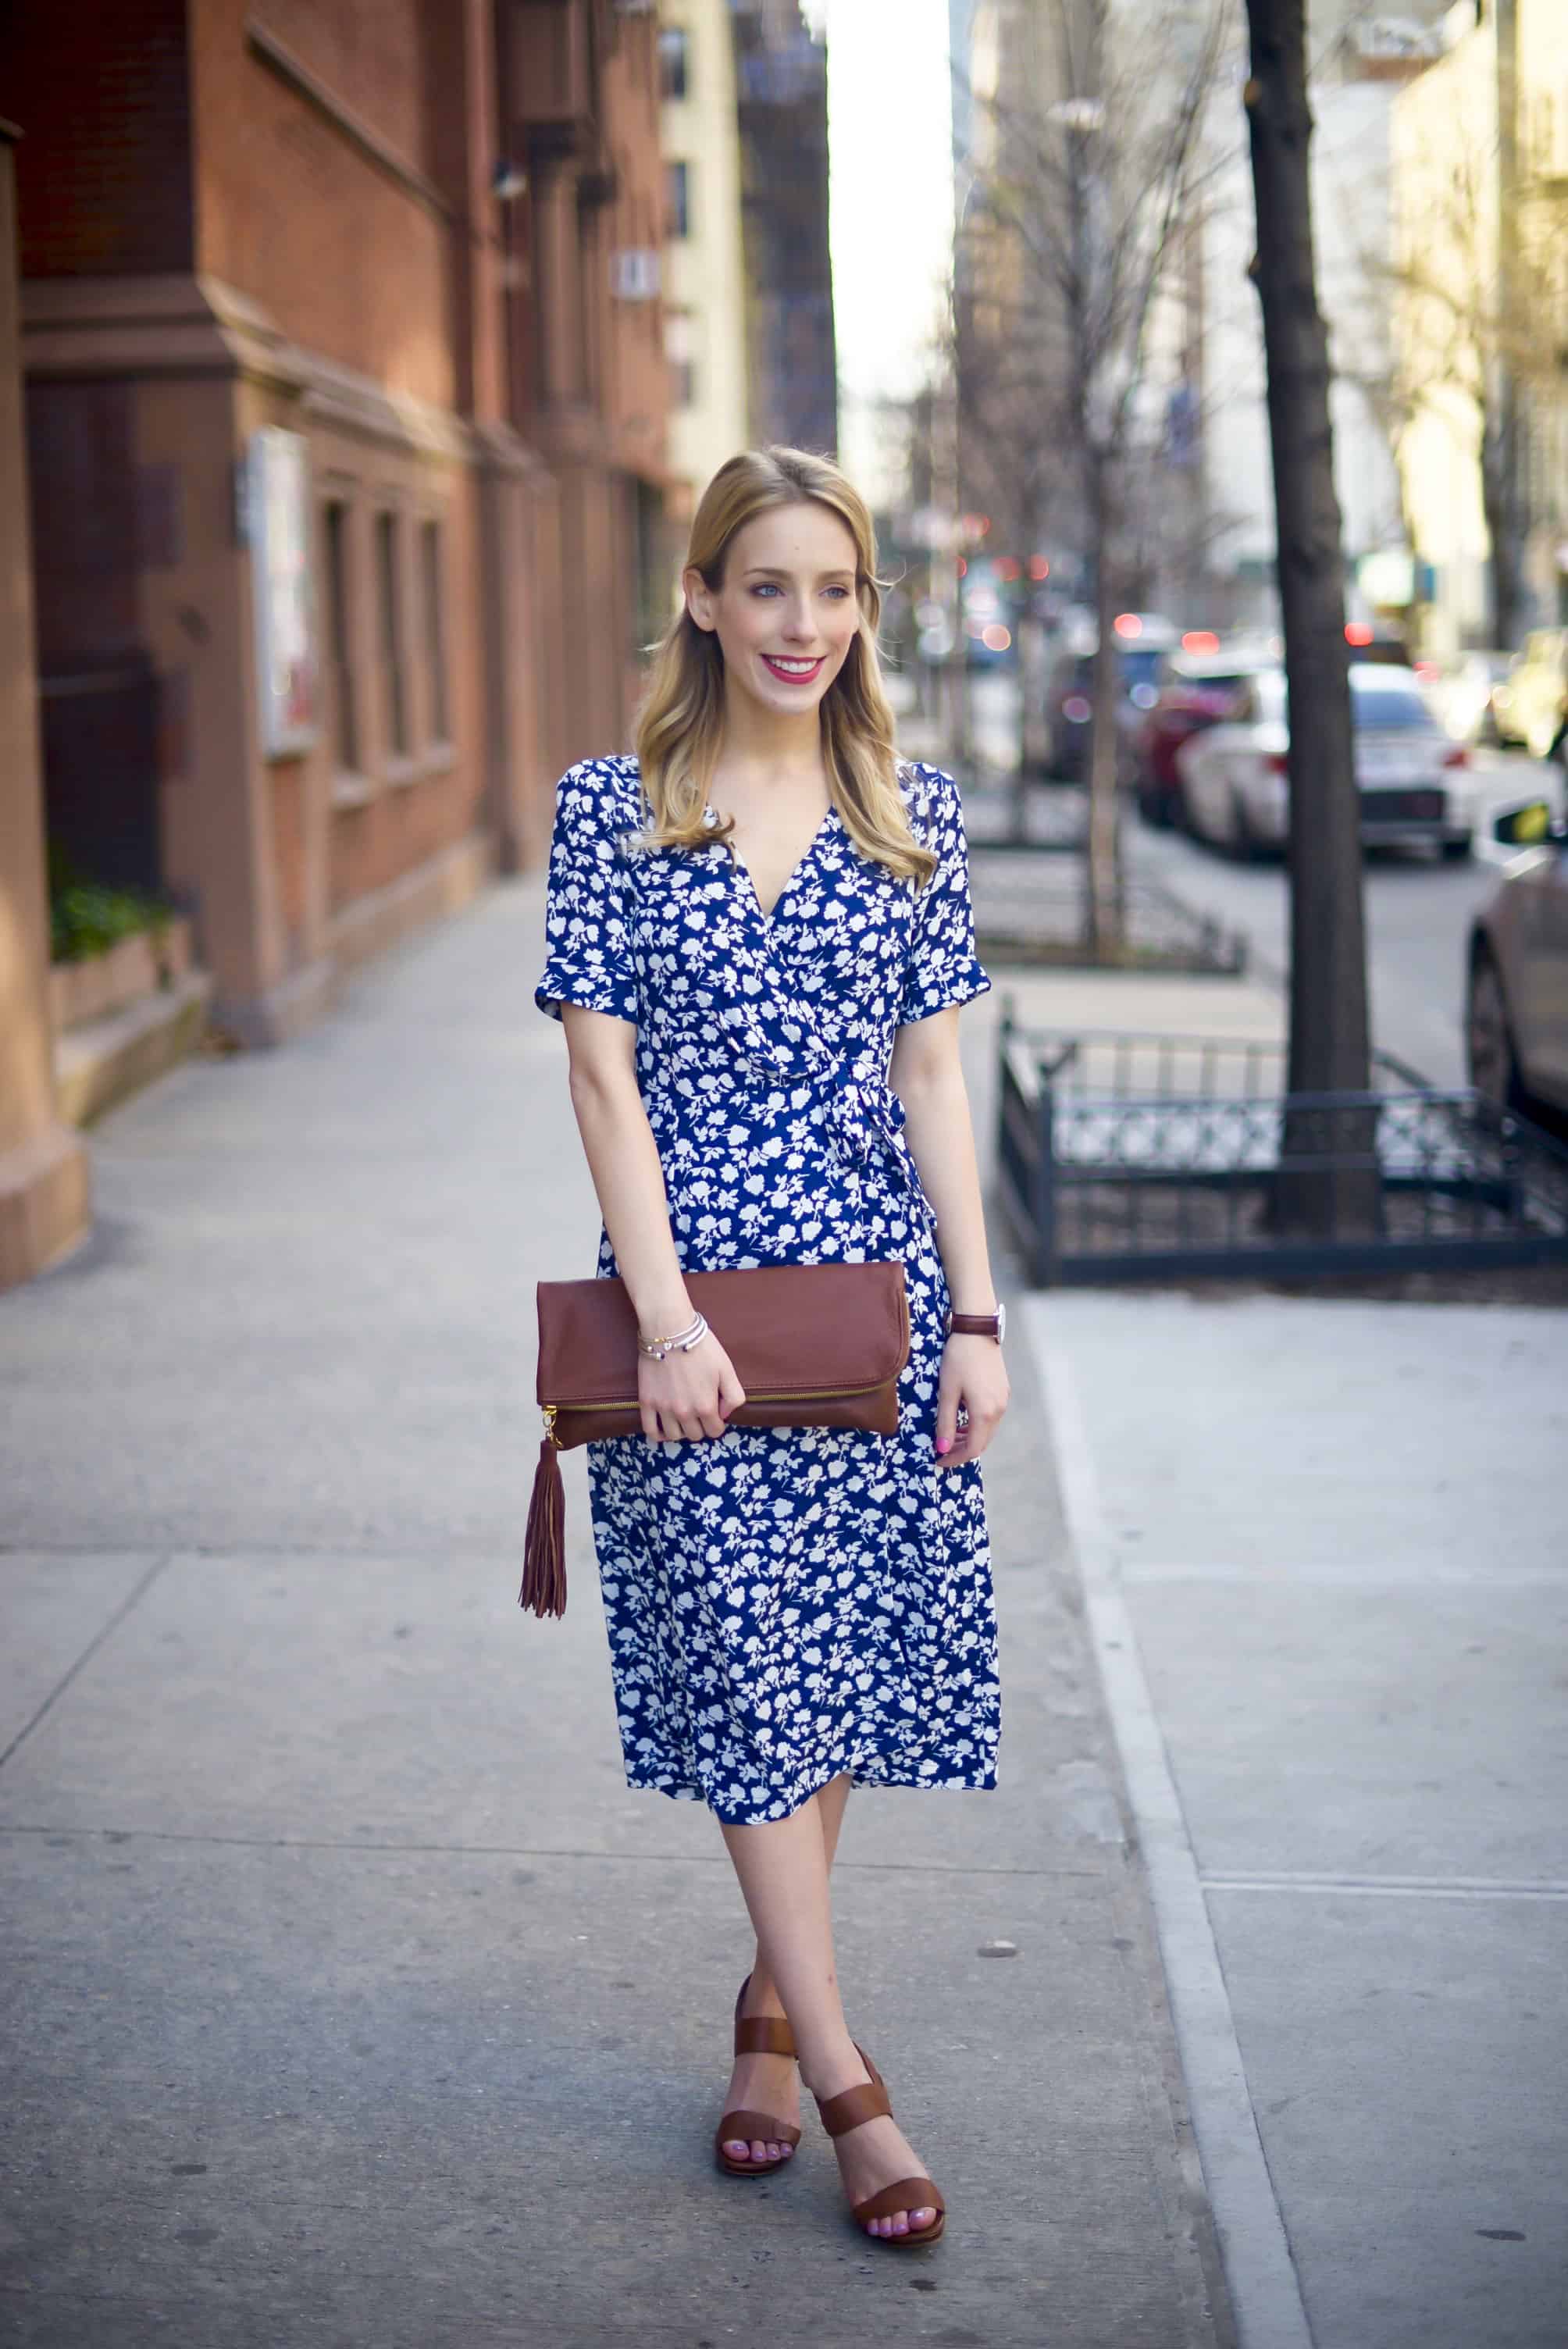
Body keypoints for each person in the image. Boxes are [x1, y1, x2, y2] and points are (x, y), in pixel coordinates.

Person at [535, 446, 1008, 2247]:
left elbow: (930, 1072)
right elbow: (600, 1073)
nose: (799, 624)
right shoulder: (614, 808)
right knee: (747, 1677)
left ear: (863, 610)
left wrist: (973, 1314)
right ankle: (842, 2080)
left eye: (834, 590)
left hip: (878, 1309)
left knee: (828, 1677)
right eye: (766, 587)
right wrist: (657, 1318)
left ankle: (758, 2014)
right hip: (695, 1325)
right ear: (702, 599)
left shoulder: (913, 813)